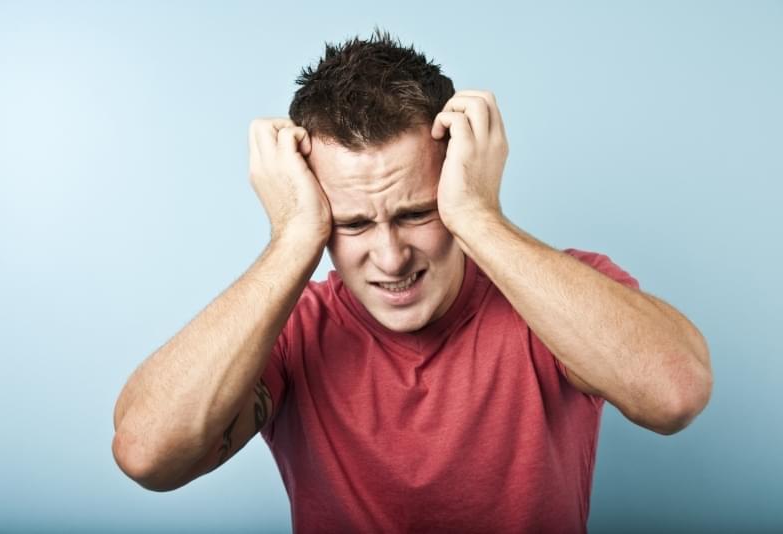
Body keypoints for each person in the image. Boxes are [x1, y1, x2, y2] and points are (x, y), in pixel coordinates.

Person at [111, 29, 713, 533]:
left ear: (457, 179)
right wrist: (292, 238)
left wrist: (480, 216)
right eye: (351, 223)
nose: (392, 258)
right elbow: (146, 455)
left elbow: (675, 394)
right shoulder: (292, 333)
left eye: (417, 212)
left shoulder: (556, 298)